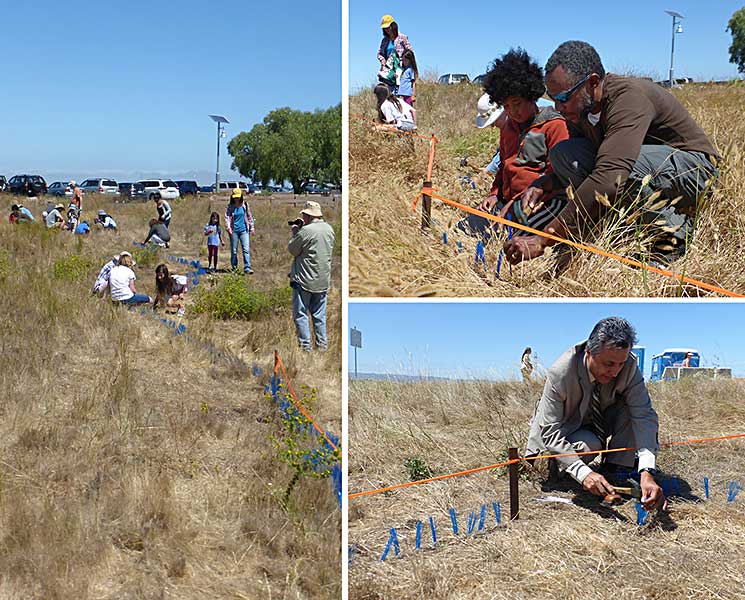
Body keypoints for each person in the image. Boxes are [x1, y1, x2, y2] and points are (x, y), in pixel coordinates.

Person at [504, 40, 720, 268]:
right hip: (645, 166)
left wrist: (544, 238)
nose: (558, 107)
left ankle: (673, 235)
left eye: (563, 98)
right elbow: (582, 164)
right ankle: (616, 230)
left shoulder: (628, 98)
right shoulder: (581, 110)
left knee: (620, 170)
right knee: (564, 154)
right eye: (553, 98)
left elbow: (610, 175)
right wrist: (545, 183)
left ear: (593, 82)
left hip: (696, 170)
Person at [526, 317, 665, 511]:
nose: (615, 372)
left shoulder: (629, 367)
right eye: (609, 364)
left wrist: (647, 472)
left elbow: (644, 416)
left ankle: (616, 469)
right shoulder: (561, 372)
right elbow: (551, 431)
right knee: (588, 445)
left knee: (630, 409)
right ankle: (560, 469)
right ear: (589, 352)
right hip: (567, 431)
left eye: (620, 364)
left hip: (599, 423)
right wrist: (584, 474)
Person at [459, 49, 569, 241]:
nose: (512, 111)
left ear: (531, 94)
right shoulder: (508, 128)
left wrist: (515, 205)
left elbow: (557, 178)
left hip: (537, 202)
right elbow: (503, 165)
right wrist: (494, 194)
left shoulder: (554, 125)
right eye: (507, 106)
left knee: (501, 238)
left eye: (517, 103)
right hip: (506, 201)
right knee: (463, 231)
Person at [288, 201, 335, 351]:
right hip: (322, 280)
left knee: (301, 314)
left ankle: (305, 348)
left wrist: (296, 233)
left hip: (305, 280)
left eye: (304, 215)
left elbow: (293, 250)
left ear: (308, 215)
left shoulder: (305, 231)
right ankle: (322, 347)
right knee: (319, 316)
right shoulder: (329, 229)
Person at [377, 15, 413, 91]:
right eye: (385, 28)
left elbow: (410, 52)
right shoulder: (384, 40)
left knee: (401, 93)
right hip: (389, 70)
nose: (386, 30)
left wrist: (405, 62)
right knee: (389, 94)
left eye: (388, 27)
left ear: (393, 26)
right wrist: (382, 60)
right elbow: (380, 53)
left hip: (401, 69)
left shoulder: (402, 37)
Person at [225, 189, 255, 275]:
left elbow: (249, 216)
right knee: (234, 251)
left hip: (244, 230)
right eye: (235, 197)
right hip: (234, 231)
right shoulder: (230, 206)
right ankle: (234, 267)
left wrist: (252, 228)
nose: (236, 199)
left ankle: (247, 267)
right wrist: (228, 228)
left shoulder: (245, 205)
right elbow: (227, 217)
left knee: (246, 249)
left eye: (238, 197)